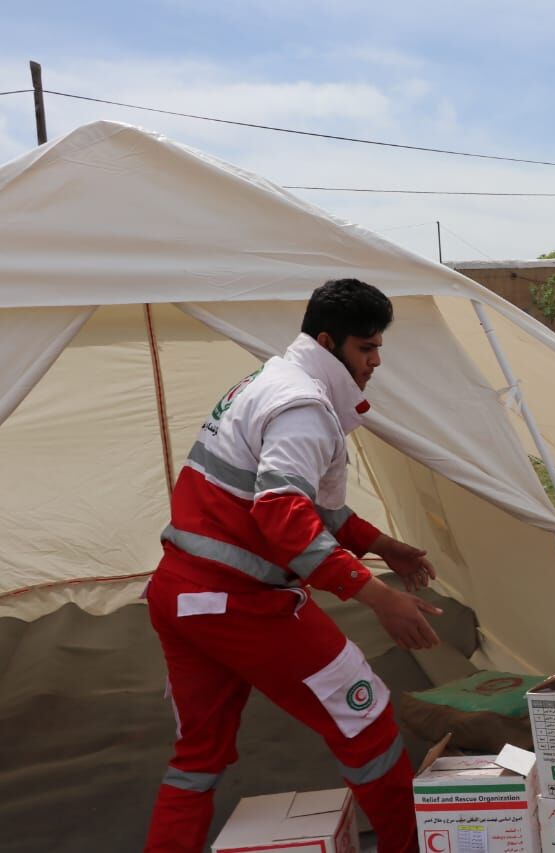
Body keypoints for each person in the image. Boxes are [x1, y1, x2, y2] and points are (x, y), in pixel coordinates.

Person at [143, 279, 442, 852]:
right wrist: (380, 598)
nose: (375, 361)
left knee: (196, 759)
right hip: (241, 604)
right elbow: (282, 515)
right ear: (327, 342)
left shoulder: (266, 381)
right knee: (368, 721)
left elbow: (309, 506)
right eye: (364, 348)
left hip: (179, 597)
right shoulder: (302, 406)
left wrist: (384, 545)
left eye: (379, 347)